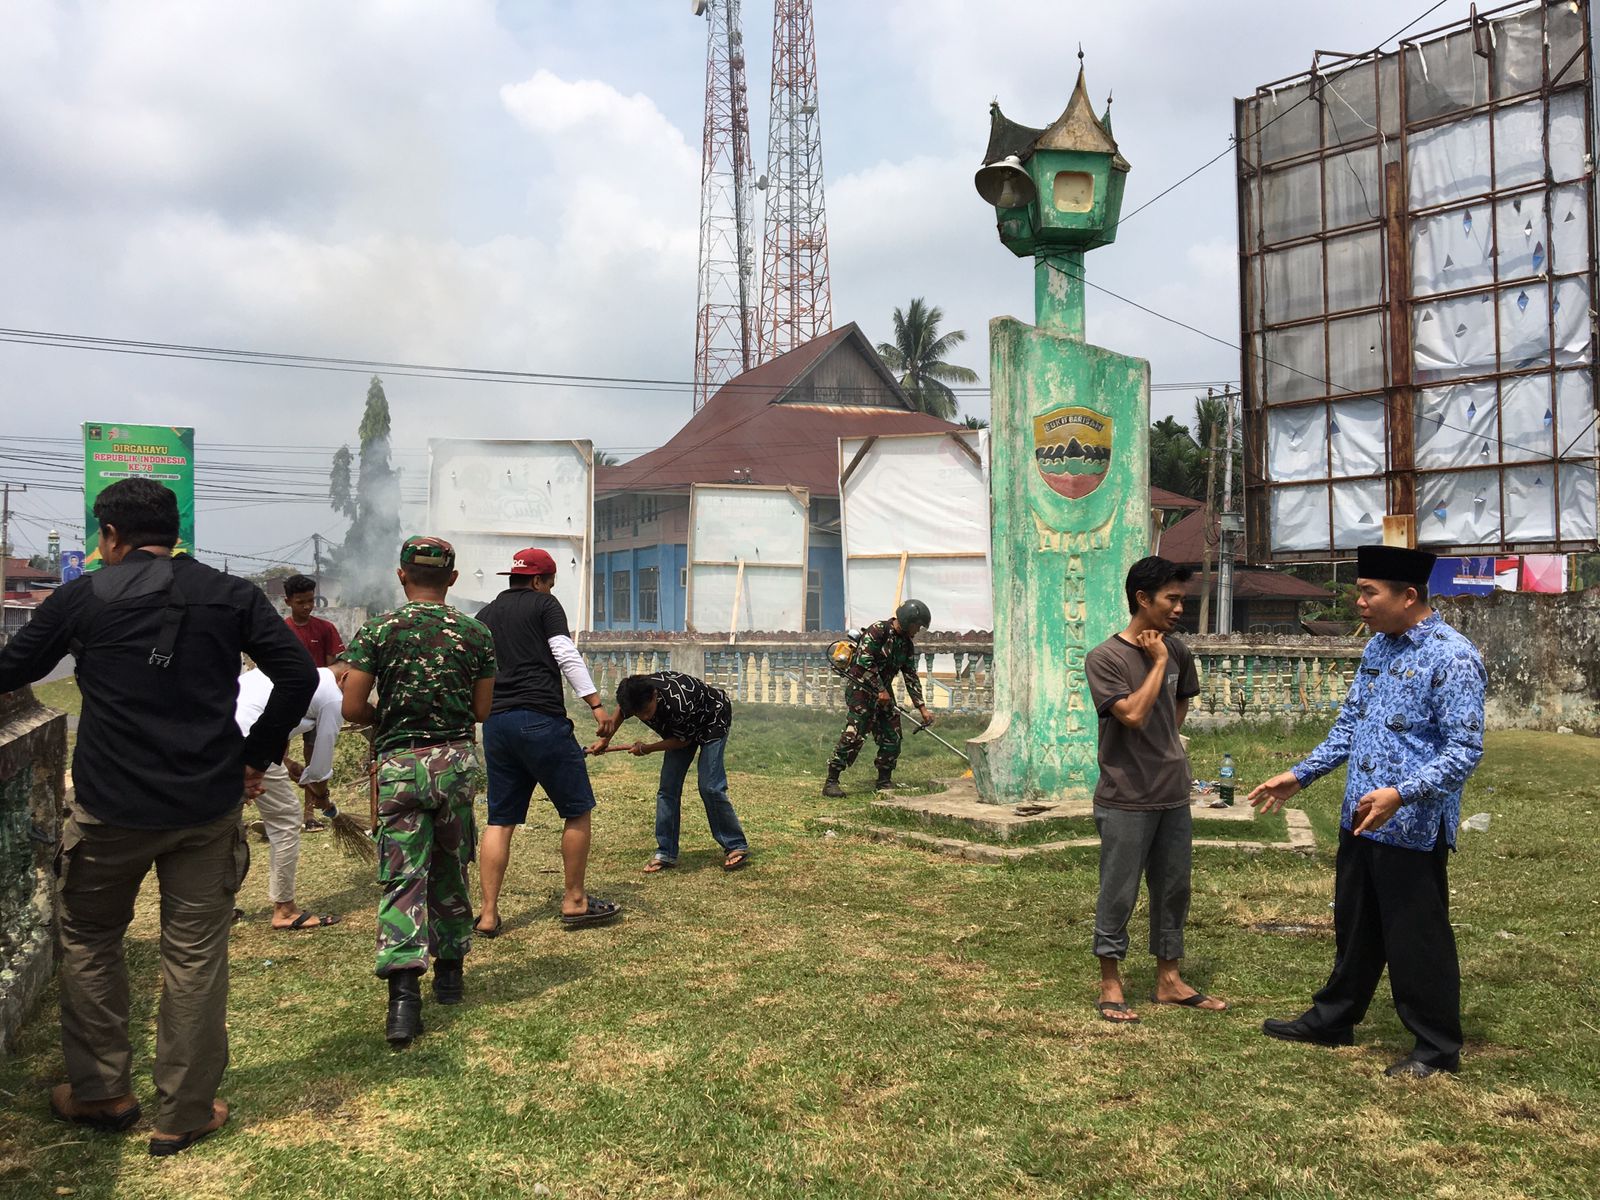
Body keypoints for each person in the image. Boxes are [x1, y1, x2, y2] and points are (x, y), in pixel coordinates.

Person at [0, 477, 316, 1156]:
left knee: (88, 940)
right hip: (205, 805)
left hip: (109, 808)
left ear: (110, 537)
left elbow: (12, 668)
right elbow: (296, 673)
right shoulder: (231, 594)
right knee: (195, 955)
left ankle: (101, 1093)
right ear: (175, 531)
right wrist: (256, 756)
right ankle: (186, 1111)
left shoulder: (82, 596)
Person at [1249, 544, 1485, 1078]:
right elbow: (1351, 723)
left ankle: (1436, 1047)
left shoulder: (1453, 656)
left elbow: (1464, 750)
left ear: (1408, 596)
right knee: (1354, 927)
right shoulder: (1379, 647)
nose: (1358, 602)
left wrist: (1400, 794)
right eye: (1359, 591)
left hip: (1412, 824)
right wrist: (1301, 774)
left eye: (1368, 592)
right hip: (1359, 816)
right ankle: (1334, 1019)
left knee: (1414, 936)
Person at [340, 536, 496, 1047]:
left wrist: (387, 719)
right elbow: (480, 712)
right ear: (452, 579)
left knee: (403, 876)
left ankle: (404, 999)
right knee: (452, 864)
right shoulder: (475, 634)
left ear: (401, 575)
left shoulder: (378, 631)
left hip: (400, 765)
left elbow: (351, 706)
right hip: (453, 764)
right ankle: (450, 974)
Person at [1083, 555, 1222, 1024]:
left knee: (1173, 889)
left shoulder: (1179, 651)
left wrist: (1166, 750)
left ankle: (1169, 979)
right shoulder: (1105, 658)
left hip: (1171, 793)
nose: (1180, 608)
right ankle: (1110, 981)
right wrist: (1157, 661)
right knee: (1118, 891)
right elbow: (1134, 715)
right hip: (1124, 796)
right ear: (1143, 599)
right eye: (1173, 598)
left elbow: (1174, 711)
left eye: (1183, 599)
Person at [473, 547, 621, 936]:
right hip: (539, 718)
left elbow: (475, 671)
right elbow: (564, 653)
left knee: (500, 819)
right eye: (550, 582)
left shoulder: (484, 615)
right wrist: (597, 705)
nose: (550, 588)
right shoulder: (544, 605)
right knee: (576, 810)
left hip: (497, 724)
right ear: (539, 581)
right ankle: (575, 901)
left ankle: (488, 914)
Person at [592, 672, 750, 873]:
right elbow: (622, 712)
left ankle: (735, 844)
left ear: (655, 695)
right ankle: (666, 852)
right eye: (639, 714)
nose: (645, 717)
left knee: (710, 787)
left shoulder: (679, 702)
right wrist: (605, 740)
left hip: (712, 719)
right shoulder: (635, 695)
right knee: (668, 789)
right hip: (679, 729)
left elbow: (682, 741)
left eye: (647, 711)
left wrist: (646, 748)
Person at [235, 661, 351, 930]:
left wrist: (286, 763)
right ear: (345, 677)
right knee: (286, 819)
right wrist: (323, 799)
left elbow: (266, 715)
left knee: (221, 822)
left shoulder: (299, 672)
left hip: (218, 733)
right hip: (248, 741)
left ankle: (215, 908)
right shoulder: (333, 697)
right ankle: (284, 910)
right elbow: (321, 770)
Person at [821, 599, 936, 797]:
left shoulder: (907, 644)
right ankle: (831, 781)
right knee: (855, 734)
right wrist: (880, 689)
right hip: (861, 689)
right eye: (918, 626)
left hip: (884, 693)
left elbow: (910, 676)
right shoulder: (878, 630)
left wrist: (922, 708)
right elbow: (864, 661)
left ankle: (884, 780)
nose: (918, 630)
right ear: (908, 620)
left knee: (892, 735)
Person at [281, 574, 345, 830]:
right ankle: (280, 811)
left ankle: (309, 816)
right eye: (300, 602)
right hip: (284, 701)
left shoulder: (326, 629)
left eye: (310, 601)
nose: (307, 606)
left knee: (313, 756)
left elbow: (333, 667)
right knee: (276, 757)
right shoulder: (280, 630)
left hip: (318, 702)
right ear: (288, 601)